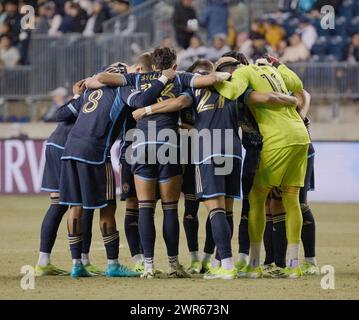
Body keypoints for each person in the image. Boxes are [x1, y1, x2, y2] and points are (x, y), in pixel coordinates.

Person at [91, 47, 231, 278]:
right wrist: (224, 75)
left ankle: (147, 266)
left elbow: (102, 78)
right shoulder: (182, 76)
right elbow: (211, 79)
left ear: (152, 64)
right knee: (169, 209)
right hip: (170, 144)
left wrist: (126, 72)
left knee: (145, 207)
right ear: (173, 65)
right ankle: (173, 264)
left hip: (142, 144)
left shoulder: (137, 77)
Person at [59, 60, 171, 278]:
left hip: (70, 150)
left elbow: (62, 115)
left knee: (75, 207)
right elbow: (142, 101)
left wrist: (76, 94)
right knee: (107, 208)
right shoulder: (122, 89)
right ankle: (113, 264)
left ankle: (76, 264)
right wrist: (163, 79)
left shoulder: (88, 94)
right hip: (96, 153)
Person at [214, 55, 310, 279]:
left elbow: (231, 91)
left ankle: (254, 264)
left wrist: (215, 79)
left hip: (278, 139)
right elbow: (297, 83)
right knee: (292, 198)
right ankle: (294, 264)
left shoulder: (243, 73)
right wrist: (279, 65)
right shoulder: (272, 71)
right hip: (300, 135)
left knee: (256, 198)